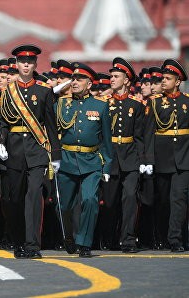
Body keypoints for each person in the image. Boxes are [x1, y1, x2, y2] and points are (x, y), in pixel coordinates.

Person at [0, 45, 61, 259]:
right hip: (13, 150)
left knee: (34, 196)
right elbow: (2, 122)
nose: (26, 65)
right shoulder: (7, 92)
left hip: (36, 150)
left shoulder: (43, 92)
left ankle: (33, 244)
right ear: (16, 64)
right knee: (14, 199)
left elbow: (51, 125)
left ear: (34, 65)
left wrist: (56, 155)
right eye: (22, 62)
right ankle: (19, 242)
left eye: (30, 62)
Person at [55, 62, 113, 257]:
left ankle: (85, 243)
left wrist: (107, 167)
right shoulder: (62, 103)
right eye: (74, 78)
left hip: (91, 160)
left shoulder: (100, 106)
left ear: (90, 84)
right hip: (66, 159)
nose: (75, 82)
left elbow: (106, 139)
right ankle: (69, 236)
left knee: (89, 200)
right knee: (64, 205)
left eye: (80, 79)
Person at [98, 58, 153, 253]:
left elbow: (141, 136)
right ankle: (110, 238)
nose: (112, 79)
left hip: (130, 158)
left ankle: (128, 240)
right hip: (110, 157)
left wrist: (144, 160)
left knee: (130, 197)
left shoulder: (136, 105)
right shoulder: (104, 103)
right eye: (111, 76)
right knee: (111, 202)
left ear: (127, 80)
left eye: (116, 76)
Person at [149, 59, 189, 252]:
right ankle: (161, 236)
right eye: (162, 78)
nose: (163, 81)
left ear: (178, 81)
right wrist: (148, 160)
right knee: (163, 200)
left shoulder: (187, 102)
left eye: (167, 78)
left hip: (184, 158)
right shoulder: (155, 103)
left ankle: (176, 239)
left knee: (178, 198)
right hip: (162, 158)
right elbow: (148, 134)